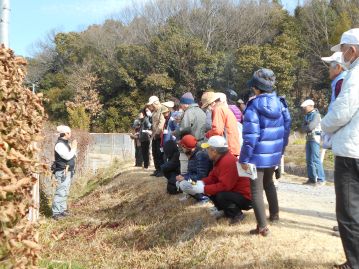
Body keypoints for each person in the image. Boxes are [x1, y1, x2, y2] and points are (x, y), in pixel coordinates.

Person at [322, 28, 359, 269]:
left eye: (343, 49)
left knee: (348, 211)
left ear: (353, 50)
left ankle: (354, 263)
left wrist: (322, 126)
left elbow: (342, 112)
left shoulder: (354, 76)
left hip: (351, 150)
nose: (341, 55)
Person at [239, 68, 291, 236]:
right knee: (269, 183)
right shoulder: (281, 103)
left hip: (257, 156)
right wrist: (280, 151)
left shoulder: (253, 106)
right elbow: (286, 129)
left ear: (256, 87)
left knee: (256, 190)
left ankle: (262, 227)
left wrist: (244, 158)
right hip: (274, 153)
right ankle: (274, 215)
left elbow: (251, 137)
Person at [180, 136, 251, 224]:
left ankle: (236, 214)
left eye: (208, 149)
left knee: (221, 195)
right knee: (212, 191)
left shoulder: (227, 161)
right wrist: (201, 183)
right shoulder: (220, 159)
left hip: (246, 197)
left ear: (214, 151)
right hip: (236, 192)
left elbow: (225, 186)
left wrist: (203, 188)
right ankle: (225, 211)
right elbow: (212, 177)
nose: (206, 151)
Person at [174, 92, 207, 174]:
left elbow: (184, 128)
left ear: (186, 104)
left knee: (185, 171)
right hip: (201, 145)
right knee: (198, 170)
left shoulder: (189, 112)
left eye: (181, 104)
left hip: (189, 146)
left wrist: (175, 133)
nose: (180, 106)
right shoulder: (202, 111)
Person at [202, 92, 240, 156]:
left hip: (228, 148)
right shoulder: (224, 108)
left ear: (212, 103)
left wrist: (207, 134)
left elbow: (217, 130)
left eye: (207, 106)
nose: (208, 109)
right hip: (233, 147)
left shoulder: (218, 109)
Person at [51, 125, 77, 220]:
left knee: (65, 191)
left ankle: (62, 210)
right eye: (69, 133)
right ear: (65, 133)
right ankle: (56, 213)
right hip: (62, 171)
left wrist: (73, 148)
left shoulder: (65, 143)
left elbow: (73, 155)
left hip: (68, 171)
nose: (70, 134)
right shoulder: (60, 144)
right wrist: (73, 148)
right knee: (60, 192)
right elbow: (67, 156)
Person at [176, 135, 213, 202]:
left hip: (205, 183)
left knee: (183, 184)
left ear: (185, 147)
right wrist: (183, 176)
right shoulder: (193, 153)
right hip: (197, 181)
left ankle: (203, 197)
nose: (181, 148)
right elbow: (191, 172)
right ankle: (193, 195)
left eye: (182, 146)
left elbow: (202, 177)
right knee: (178, 182)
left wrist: (185, 178)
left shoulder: (200, 155)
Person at [301, 99, 326, 186]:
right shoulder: (307, 115)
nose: (304, 109)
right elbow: (303, 128)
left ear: (311, 106)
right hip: (308, 138)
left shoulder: (316, 115)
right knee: (309, 160)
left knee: (315, 159)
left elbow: (310, 127)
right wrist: (307, 125)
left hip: (315, 138)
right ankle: (311, 179)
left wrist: (307, 125)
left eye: (305, 107)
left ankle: (321, 179)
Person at [147, 96, 165, 177]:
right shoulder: (154, 112)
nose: (152, 106)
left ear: (156, 103)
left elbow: (161, 123)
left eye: (152, 104)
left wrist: (157, 133)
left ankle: (162, 170)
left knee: (160, 154)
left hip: (160, 136)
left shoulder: (162, 109)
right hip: (154, 135)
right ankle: (157, 169)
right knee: (155, 153)